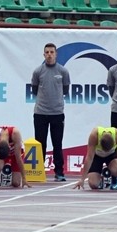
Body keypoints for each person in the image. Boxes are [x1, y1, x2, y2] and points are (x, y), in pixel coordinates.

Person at [31, 43, 70, 182]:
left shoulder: (63, 72)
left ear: (56, 54)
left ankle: (59, 172)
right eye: (46, 52)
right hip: (40, 113)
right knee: (40, 143)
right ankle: (39, 171)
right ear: (43, 54)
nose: (49, 54)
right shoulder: (38, 71)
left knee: (57, 144)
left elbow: (65, 90)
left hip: (57, 113)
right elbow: (34, 90)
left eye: (51, 52)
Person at [73, 126, 117, 191]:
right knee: (93, 184)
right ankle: (100, 177)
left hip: (111, 155)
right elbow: (89, 157)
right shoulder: (94, 136)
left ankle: (114, 178)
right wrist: (82, 179)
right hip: (97, 155)